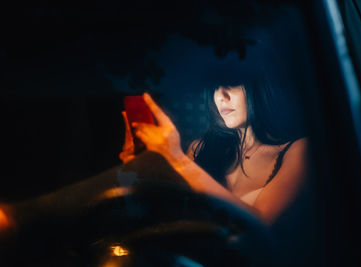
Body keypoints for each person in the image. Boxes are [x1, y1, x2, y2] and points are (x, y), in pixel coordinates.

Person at [120, 73, 308, 225]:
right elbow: (156, 218)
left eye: (231, 83)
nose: (221, 96)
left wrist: (177, 159)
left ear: (259, 85)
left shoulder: (298, 150)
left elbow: (259, 224)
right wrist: (131, 171)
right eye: (215, 87)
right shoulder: (199, 149)